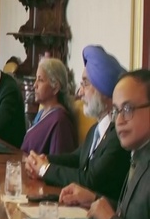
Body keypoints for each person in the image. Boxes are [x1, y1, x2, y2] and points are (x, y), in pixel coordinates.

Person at [26, 45, 130, 201]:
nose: (79, 92)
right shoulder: (96, 128)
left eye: (85, 84)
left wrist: (45, 169)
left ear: (104, 89)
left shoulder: (118, 135)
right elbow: (76, 158)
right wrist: (42, 159)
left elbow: (90, 180)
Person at [59, 69, 150, 219]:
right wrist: (93, 199)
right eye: (116, 111)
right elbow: (134, 215)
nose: (119, 121)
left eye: (128, 109)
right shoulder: (138, 154)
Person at [21, 58, 78, 155]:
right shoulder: (41, 113)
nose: (35, 85)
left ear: (55, 87)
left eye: (40, 80)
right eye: (36, 79)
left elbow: (58, 163)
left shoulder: (60, 121)